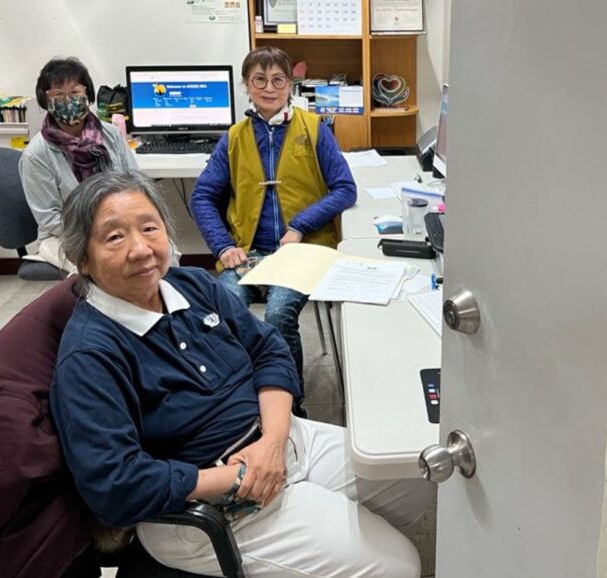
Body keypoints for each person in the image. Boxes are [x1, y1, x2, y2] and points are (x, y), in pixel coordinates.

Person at [50, 170, 432, 577]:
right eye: (114, 237)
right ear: (82, 259)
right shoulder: (90, 356)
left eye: (149, 227)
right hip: (212, 502)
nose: (141, 249)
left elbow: (270, 351)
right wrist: (239, 475)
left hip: (277, 441)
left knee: (420, 473)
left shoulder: (192, 285)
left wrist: (272, 442)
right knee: (398, 565)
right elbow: (116, 486)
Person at [191, 46, 357, 415]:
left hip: (305, 248)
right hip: (246, 251)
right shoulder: (233, 137)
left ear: (290, 84)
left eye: (278, 79)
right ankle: (239, 398)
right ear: (247, 85)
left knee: (279, 313)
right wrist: (221, 247)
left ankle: (290, 403)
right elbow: (202, 196)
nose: (269, 88)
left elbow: (345, 188)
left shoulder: (313, 129)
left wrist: (300, 225)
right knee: (227, 307)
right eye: (259, 79)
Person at [19, 57, 139, 273]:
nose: (68, 100)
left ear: (87, 94)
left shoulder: (110, 134)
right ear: (46, 101)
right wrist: (100, 233)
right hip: (65, 235)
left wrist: (127, 226)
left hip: (119, 224)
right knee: (101, 268)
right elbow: (49, 217)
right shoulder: (37, 154)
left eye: (74, 93)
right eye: (58, 95)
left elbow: (135, 183)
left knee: (162, 251)